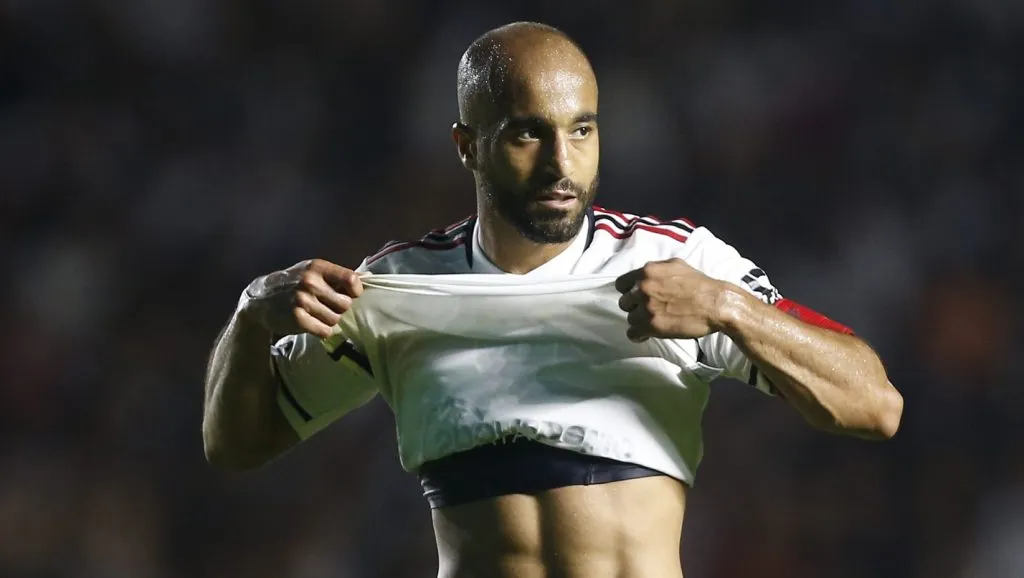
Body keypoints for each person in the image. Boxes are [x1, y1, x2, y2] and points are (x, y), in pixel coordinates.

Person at [202, 21, 903, 578]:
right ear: (466, 146)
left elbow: (875, 405)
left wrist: (730, 308)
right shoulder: (395, 288)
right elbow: (234, 446)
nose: (560, 164)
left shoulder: (678, 264)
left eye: (582, 131)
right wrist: (251, 313)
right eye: (527, 132)